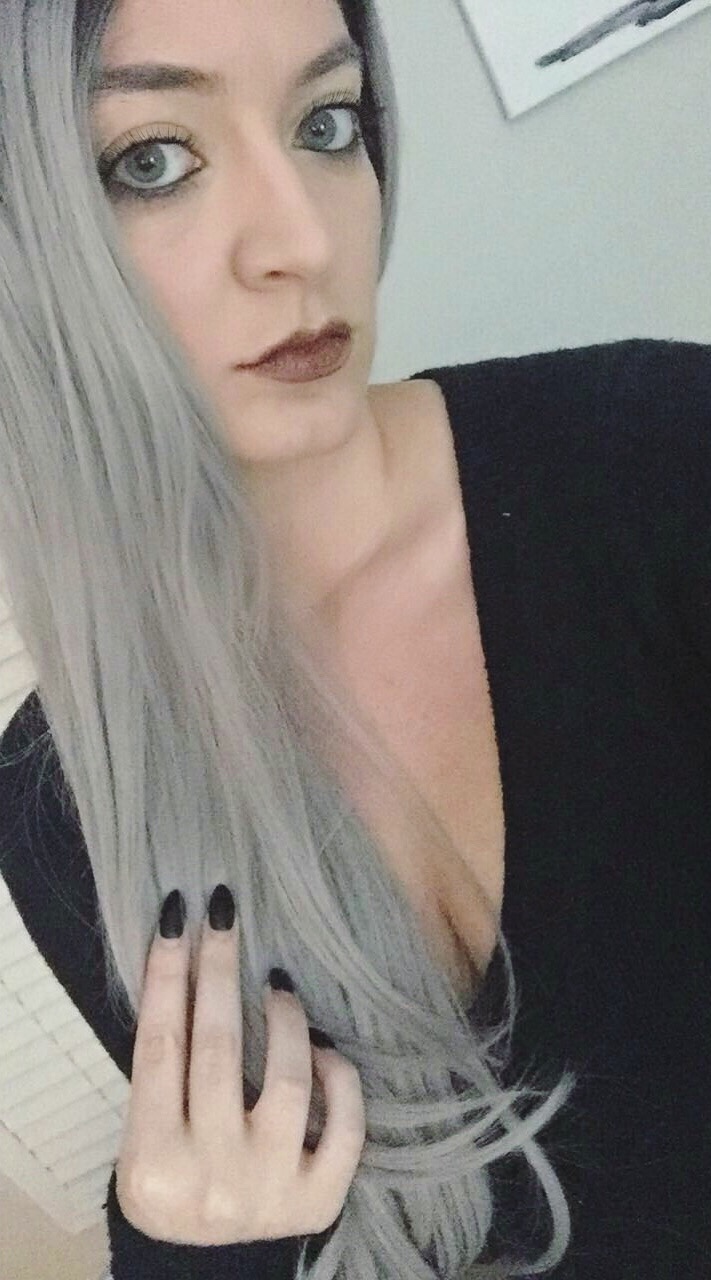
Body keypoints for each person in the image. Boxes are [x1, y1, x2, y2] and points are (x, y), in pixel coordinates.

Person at [0, 1, 707, 1277]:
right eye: (151, 158)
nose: (303, 240)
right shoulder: (66, 793)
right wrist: (187, 1245)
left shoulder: (661, 464)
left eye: (327, 124)